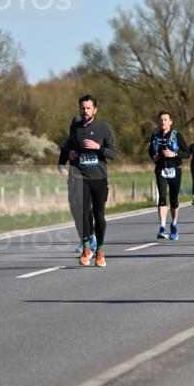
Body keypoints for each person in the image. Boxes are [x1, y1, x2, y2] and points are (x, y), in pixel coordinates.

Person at [58, 95, 116, 267]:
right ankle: (86, 248)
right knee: (82, 213)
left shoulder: (104, 128)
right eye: (83, 108)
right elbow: (69, 148)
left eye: (88, 108)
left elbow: (112, 153)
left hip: (99, 177)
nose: (85, 111)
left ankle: (100, 251)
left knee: (99, 216)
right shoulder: (74, 128)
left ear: (95, 110)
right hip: (80, 177)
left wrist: (99, 148)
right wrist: (69, 156)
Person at [149, 111, 190, 240]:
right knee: (162, 197)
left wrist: (174, 155)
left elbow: (187, 153)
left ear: (170, 122)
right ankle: (162, 227)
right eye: (161, 119)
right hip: (161, 170)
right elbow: (150, 150)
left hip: (175, 170)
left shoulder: (177, 135)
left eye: (165, 119)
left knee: (173, 199)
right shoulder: (155, 135)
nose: (163, 122)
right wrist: (153, 157)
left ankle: (174, 223)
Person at [58, 131, 96, 253]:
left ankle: (90, 238)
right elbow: (61, 161)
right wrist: (61, 168)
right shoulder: (67, 144)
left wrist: (80, 156)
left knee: (86, 210)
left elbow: (97, 160)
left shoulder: (89, 142)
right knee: (76, 212)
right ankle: (83, 238)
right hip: (73, 181)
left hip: (88, 180)